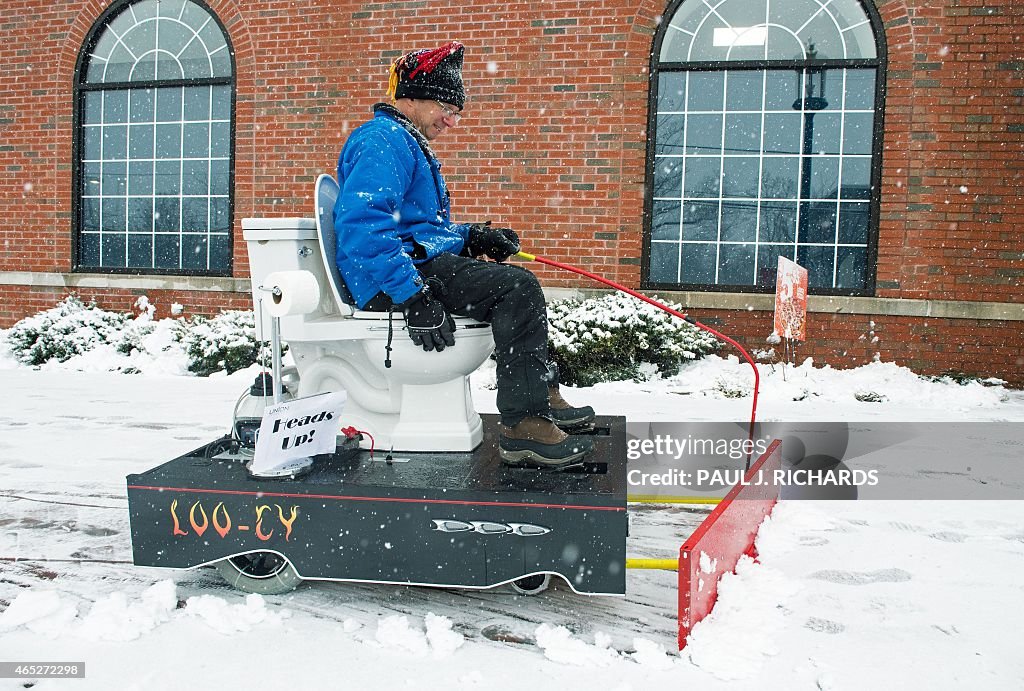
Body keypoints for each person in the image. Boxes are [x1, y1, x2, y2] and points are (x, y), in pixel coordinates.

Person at [332, 40, 595, 469]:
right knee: (516, 288)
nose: (451, 122)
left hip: (406, 267)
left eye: (456, 114)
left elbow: (420, 230)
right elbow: (362, 227)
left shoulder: (403, 141)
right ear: (413, 97)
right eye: (446, 109)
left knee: (510, 282)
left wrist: (473, 238)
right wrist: (412, 297)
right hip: (389, 281)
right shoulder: (384, 141)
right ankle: (525, 426)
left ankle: (538, 394)